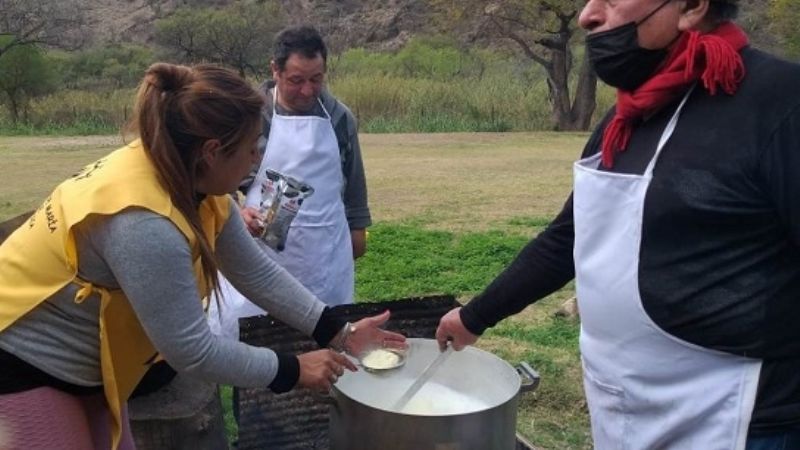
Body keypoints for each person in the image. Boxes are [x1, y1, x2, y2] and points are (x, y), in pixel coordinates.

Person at [436, 0, 800, 448]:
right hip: (624, 407)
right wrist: (475, 316)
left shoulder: (781, 103)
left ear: (691, 6)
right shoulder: (628, 116)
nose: (589, 15)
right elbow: (568, 238)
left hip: (739, 419)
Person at [0, 62, 404, 450]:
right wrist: (294, 369)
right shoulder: (144, 223)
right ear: (211, 151)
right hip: (24, 357)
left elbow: (256, 272)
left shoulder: (186, 175)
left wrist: (340, 333)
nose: (256, 159)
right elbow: (193, 350)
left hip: (92, 358)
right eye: (251, 148)